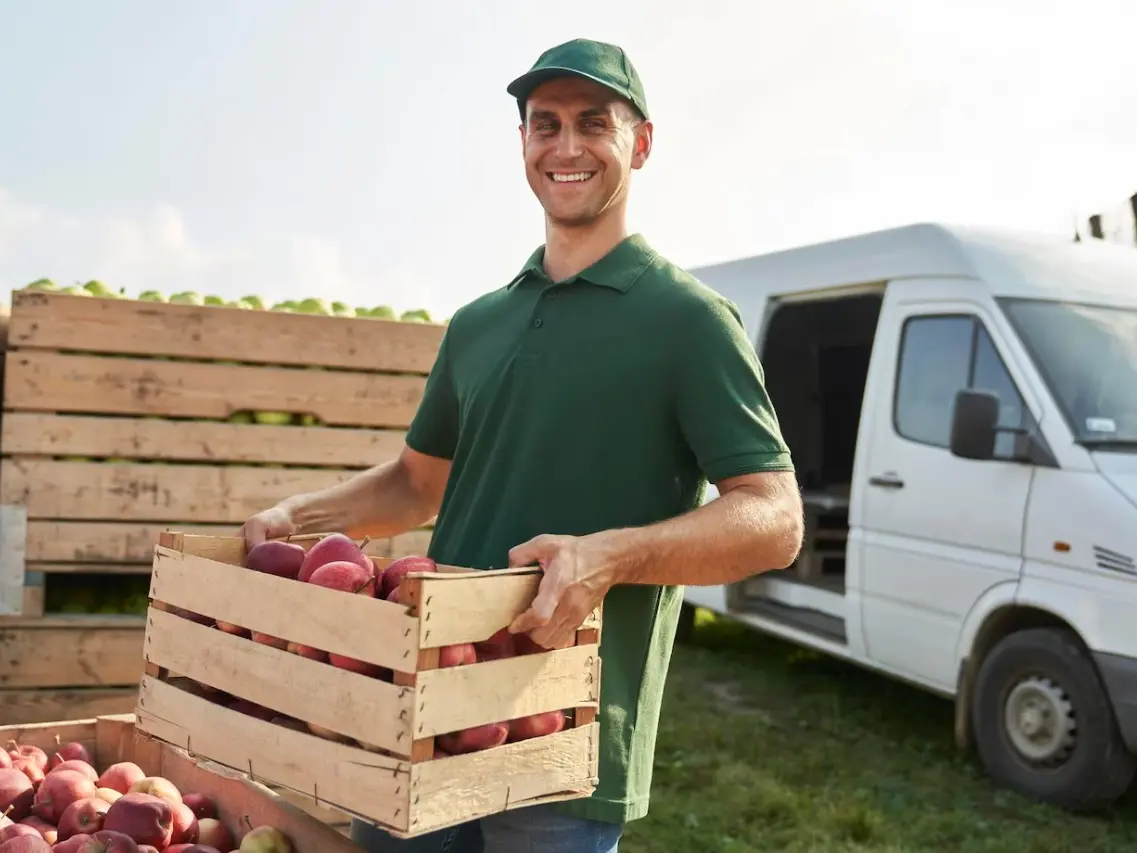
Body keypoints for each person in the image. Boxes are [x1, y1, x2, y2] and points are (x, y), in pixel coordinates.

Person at [239, 37, 804, 853]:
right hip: (419, 714)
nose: (566, 146)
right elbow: (415, 484)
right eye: (546, 125)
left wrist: (607, 556)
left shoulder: (688, 321)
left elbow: (774, 519)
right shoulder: (479, 323)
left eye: (593, 123)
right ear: (523, 143)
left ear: (641, 143)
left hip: (559, 739)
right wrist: (302, 515)